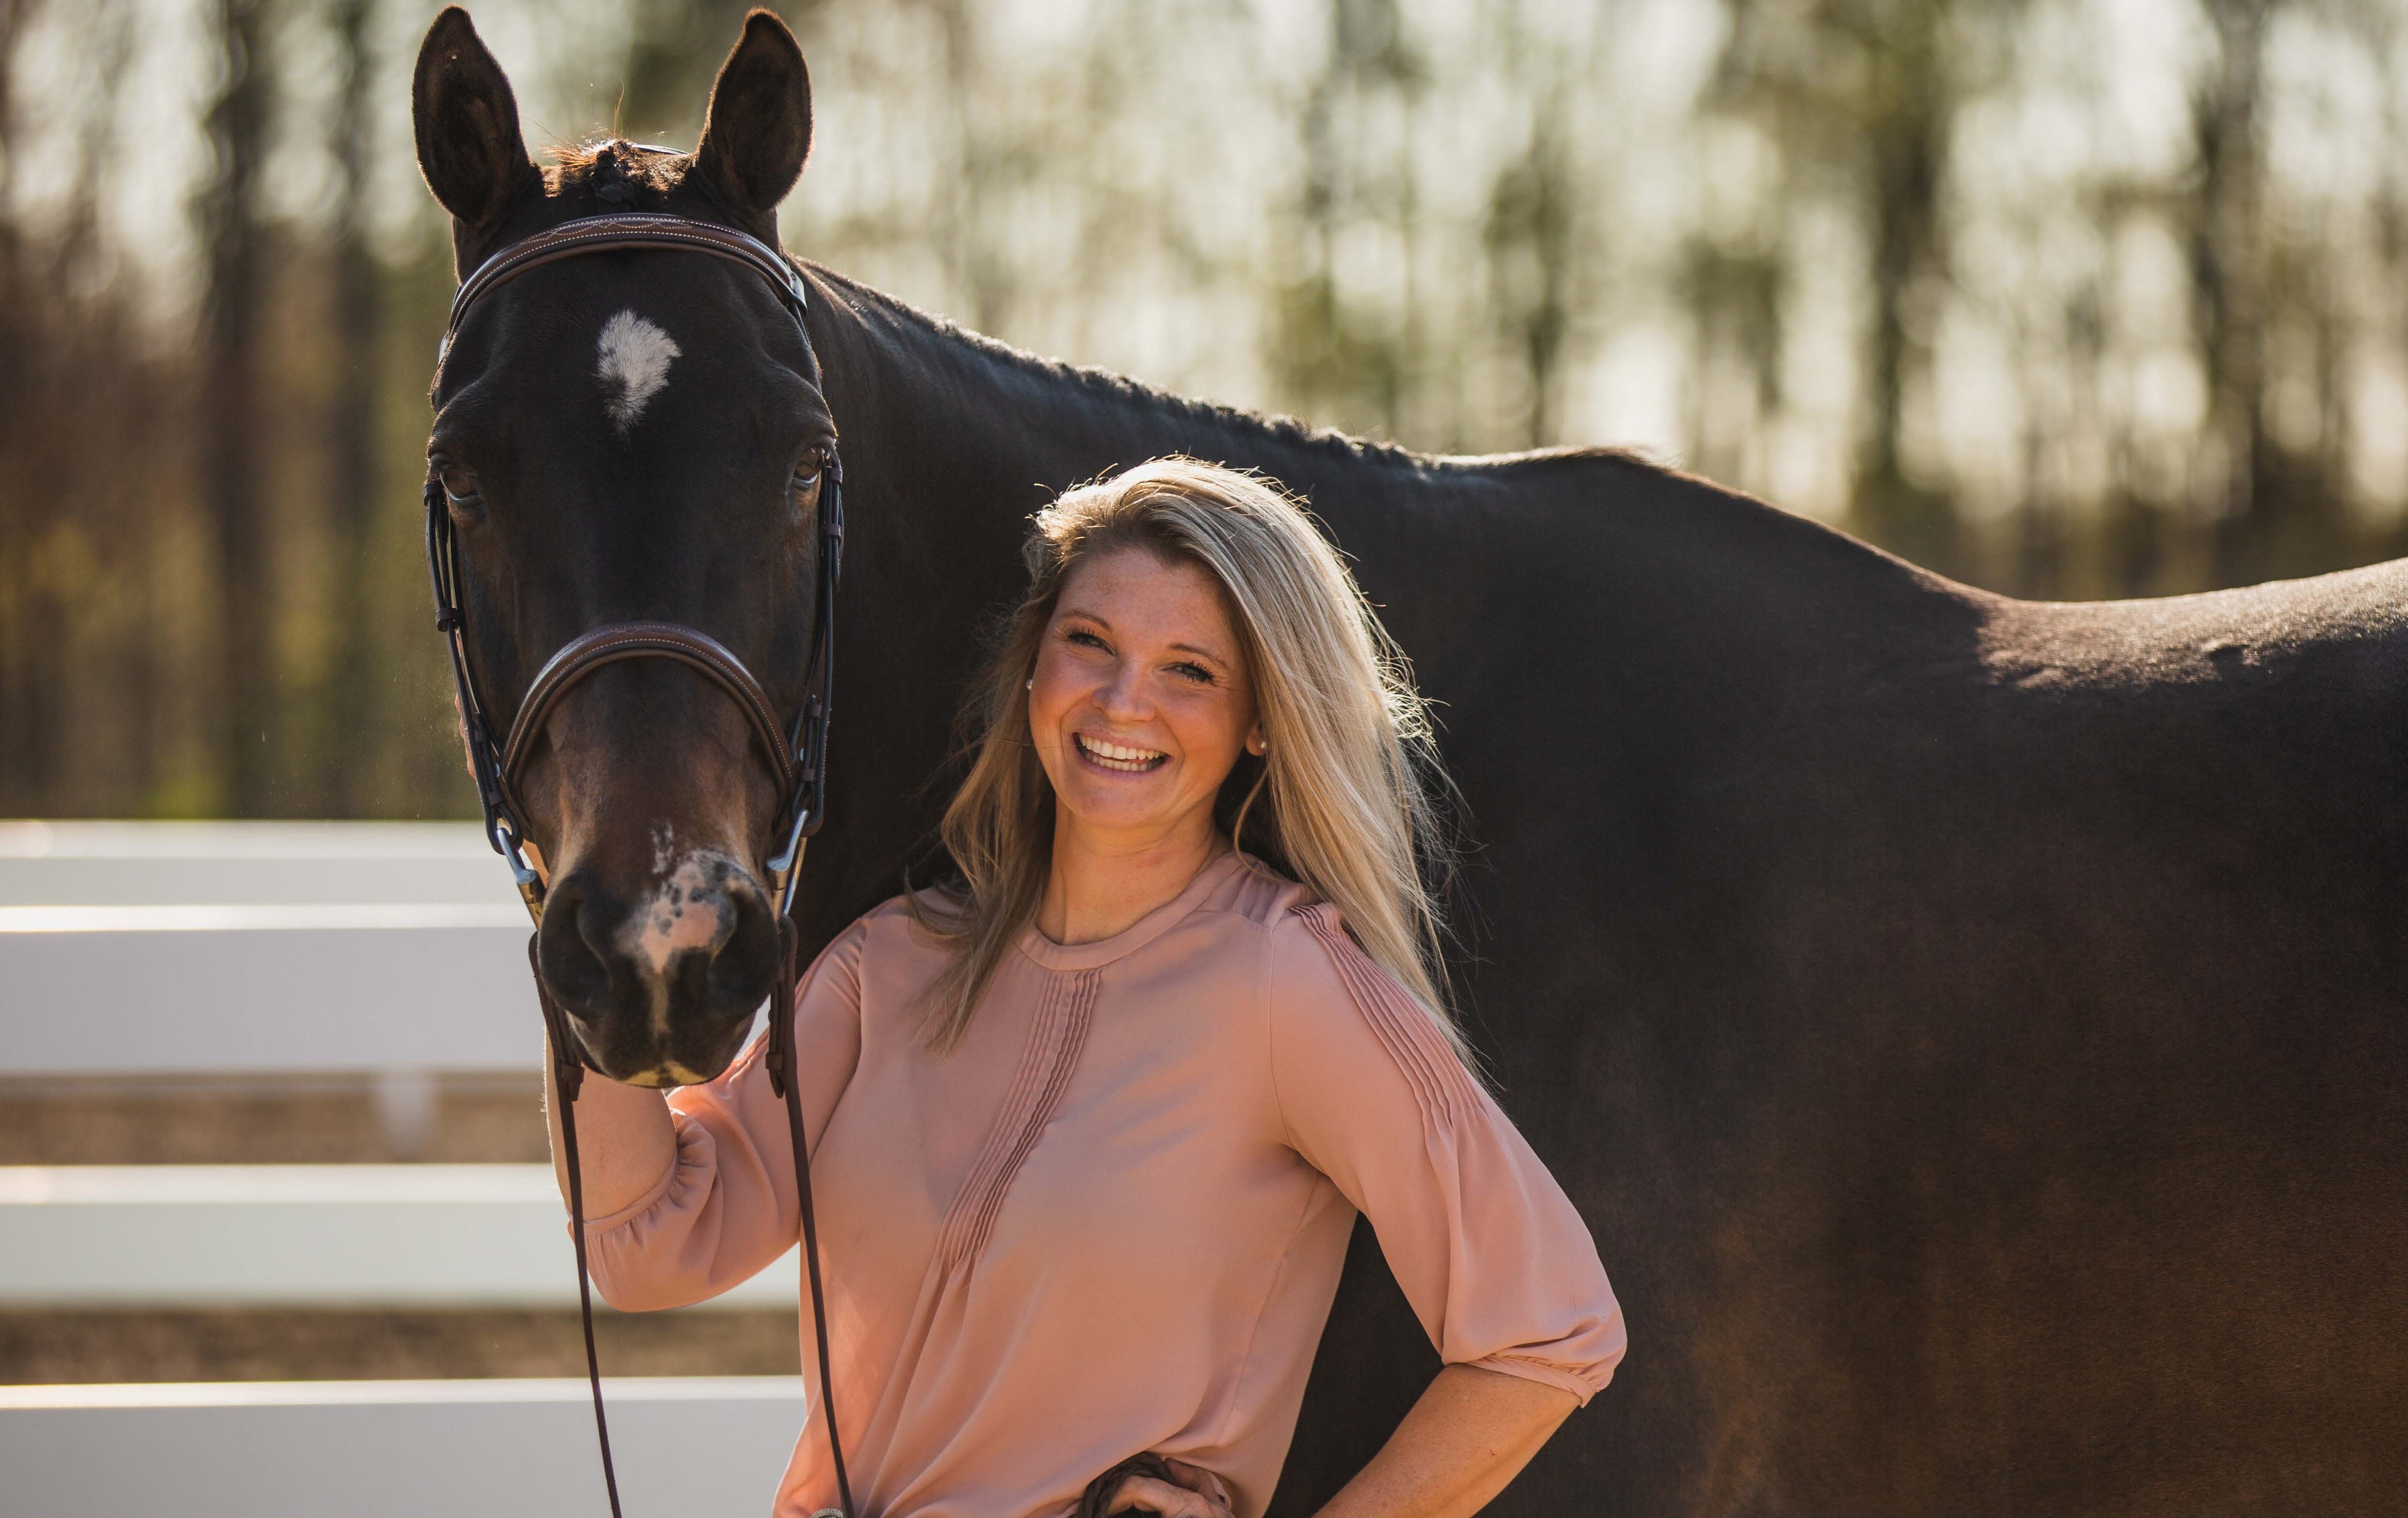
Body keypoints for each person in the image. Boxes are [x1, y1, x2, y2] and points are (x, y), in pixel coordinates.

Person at [557, 458, 1625, 1518]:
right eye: (1090, 643)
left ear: (1260, 718)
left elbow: (1547, 1330)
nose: (1123, 702)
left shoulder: (1284, 980)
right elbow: (651, 1242)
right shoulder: (892, 964)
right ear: (1033, 666)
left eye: (1189, 672)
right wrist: (578, 922)